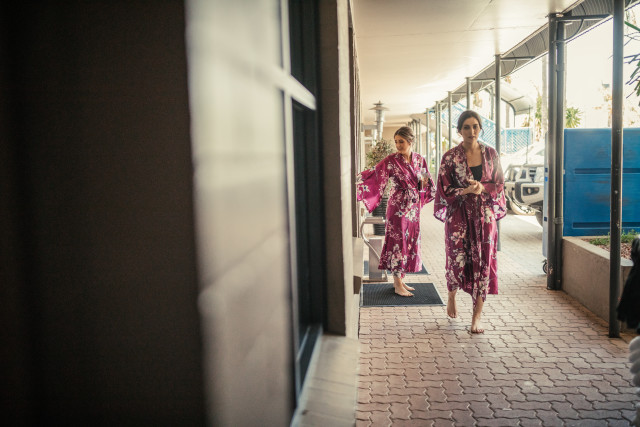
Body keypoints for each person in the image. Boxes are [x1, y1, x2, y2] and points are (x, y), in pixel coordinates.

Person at [434, 110, 506, 333]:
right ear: (459, 130)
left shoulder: (491, 154)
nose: (471, 131)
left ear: (480, 128)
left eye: (475, 126)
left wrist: (482, 187)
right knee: (456, 259)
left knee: (483, 262)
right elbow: (443, 188)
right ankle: (451, 295)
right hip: (458, 215)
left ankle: (477, 317)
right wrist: (464, 190)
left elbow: (499, 183)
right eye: (466, 127)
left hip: (484, 216)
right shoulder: (450, 157)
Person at [357, 126, 435, 296]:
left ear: (410, 141)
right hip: (397, 207)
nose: (398, 145)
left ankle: (400, 279)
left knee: (409, 241)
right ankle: (397, 283)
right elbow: (375, 174)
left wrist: (422, 183)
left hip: (413, 208)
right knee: (398, 243)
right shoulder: (391, 160)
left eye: (401, 141)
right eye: (396, 142)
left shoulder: (420, 160)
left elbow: (426, 183)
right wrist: (359, 179)